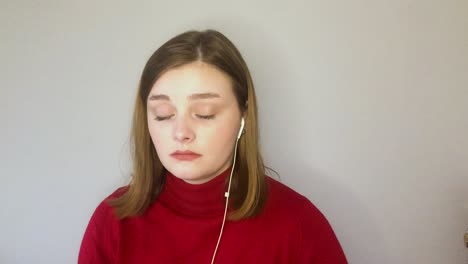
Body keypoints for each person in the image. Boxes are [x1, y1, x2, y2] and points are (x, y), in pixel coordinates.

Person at [78, 29, 348, 264]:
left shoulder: (299, 225)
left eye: (205, 113)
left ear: (243, 116)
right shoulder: (112, 222)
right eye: (163, 114)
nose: (181, 132)